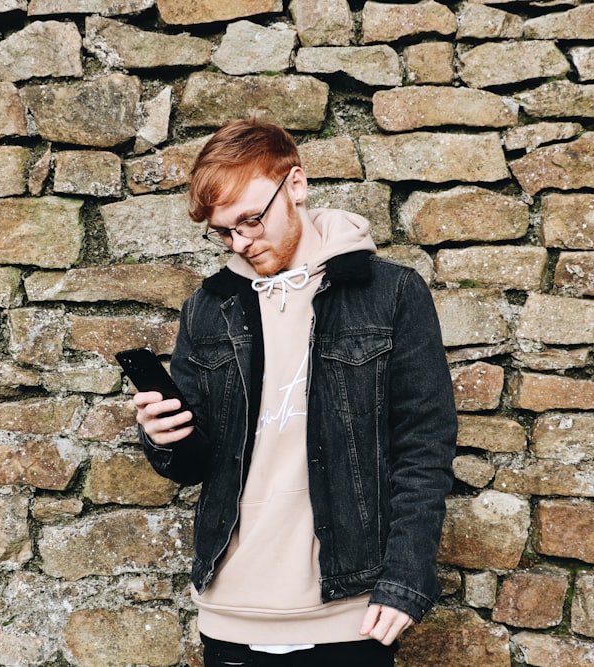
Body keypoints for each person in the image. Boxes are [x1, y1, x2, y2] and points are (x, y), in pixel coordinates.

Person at [134, 118, 457, 667]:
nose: (241, 242)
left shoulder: (390, 293)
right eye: (224, 231)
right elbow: (196, 462)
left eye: (251, 220)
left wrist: (406, 577)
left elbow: (424, 444)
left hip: (349, 613)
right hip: (230, 611)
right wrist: (162, 438)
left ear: (297, 185)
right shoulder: (209, 308)